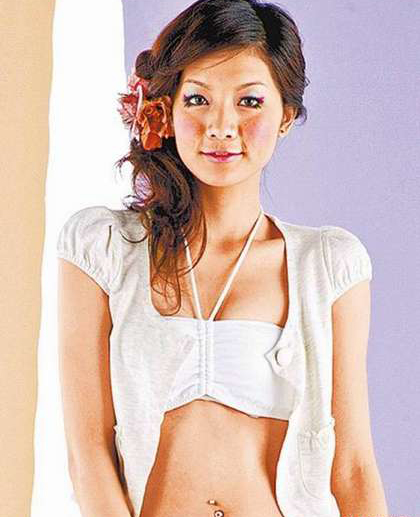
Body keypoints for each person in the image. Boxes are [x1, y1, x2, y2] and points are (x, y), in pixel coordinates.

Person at [57, 1, 388, 516]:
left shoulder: (328, 265)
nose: (221, 125)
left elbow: (353, 469)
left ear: (286, 117)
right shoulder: (102, 249)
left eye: (249, 101)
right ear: (164, 110)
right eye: (198, 99)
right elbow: (88, 456)